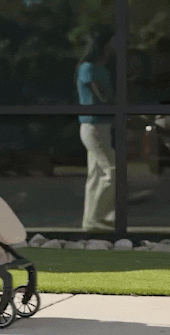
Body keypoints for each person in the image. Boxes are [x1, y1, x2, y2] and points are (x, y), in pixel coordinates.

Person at [76, 29, 115, 232]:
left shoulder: (99, 68)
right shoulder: (90, 68)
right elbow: (103, 97)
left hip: (100, 126)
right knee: (112, 171)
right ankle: (102, 220)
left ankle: (92, 221)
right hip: (94, 126)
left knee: (97, 174)